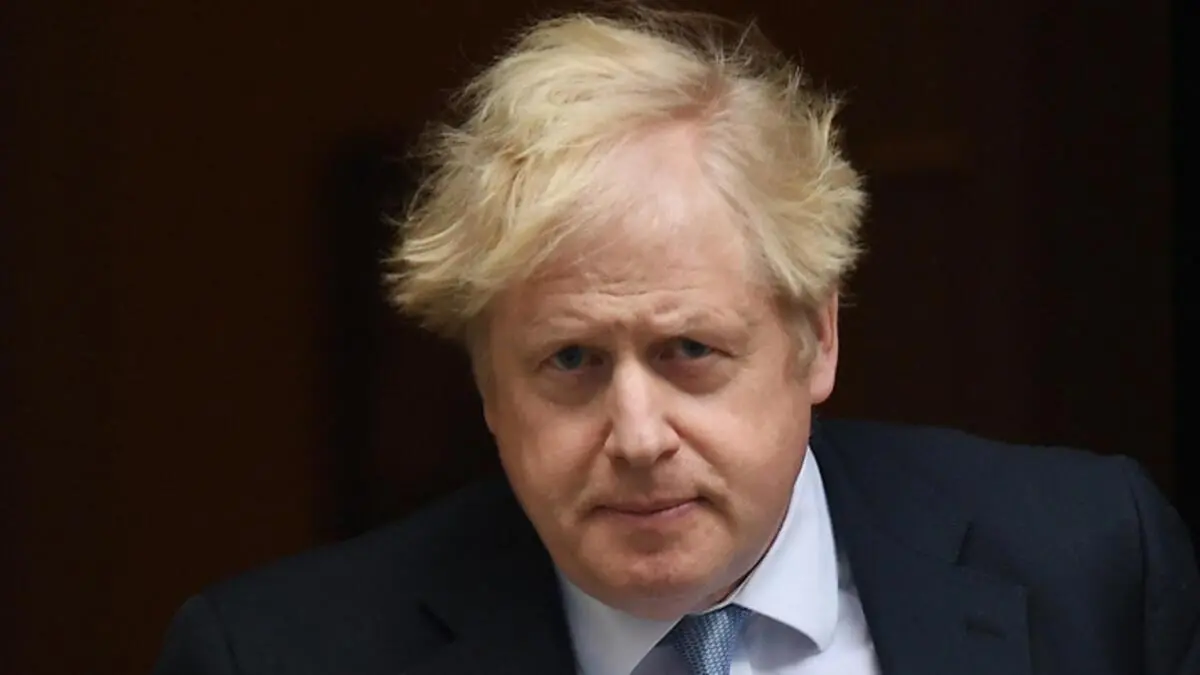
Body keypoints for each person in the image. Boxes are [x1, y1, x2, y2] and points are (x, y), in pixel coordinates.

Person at [152, 7, 1199, 675]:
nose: (639, 435)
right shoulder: (277, 655)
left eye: (689, 350)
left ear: (815, 336)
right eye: (570, 361)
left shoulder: (1090, 565)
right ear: (487, 385)